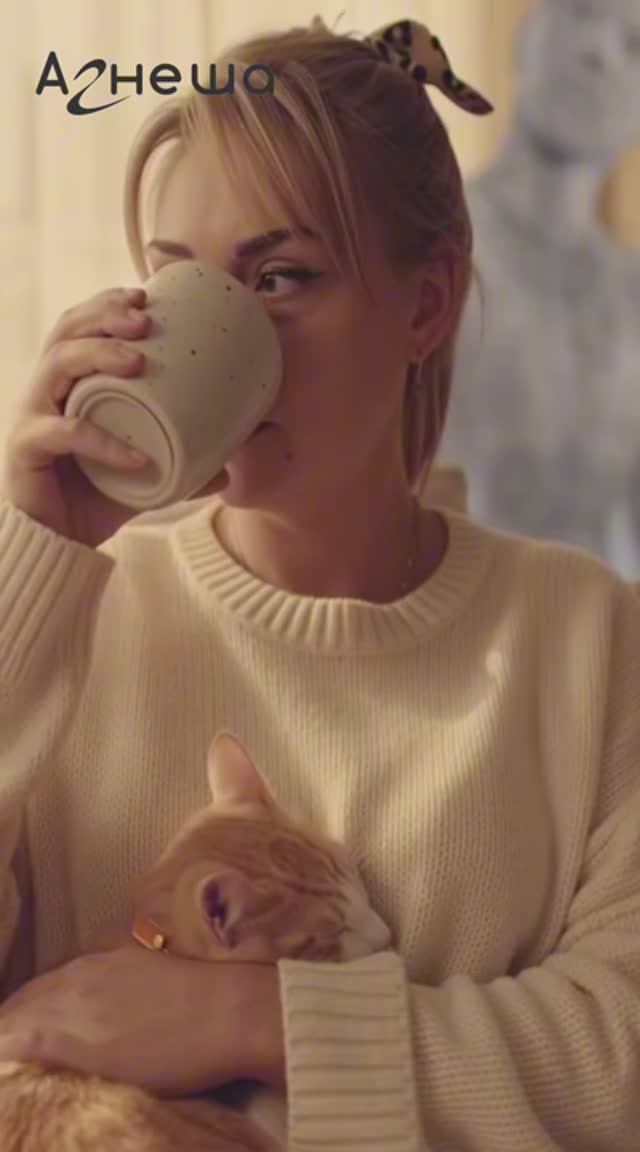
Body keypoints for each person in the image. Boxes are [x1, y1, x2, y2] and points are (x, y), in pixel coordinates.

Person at [0, 15, 639, 1151]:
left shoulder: (587, 638)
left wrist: (256, 1022)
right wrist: (32, 562)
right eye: (181, 280)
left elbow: (619, 1054)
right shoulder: (72, 612)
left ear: (426, 305)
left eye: (279, 277)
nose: (215, 329)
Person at [442, 0, 640, 579]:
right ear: (526, 36)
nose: (597, 52)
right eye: (582, 11)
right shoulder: (418, 253)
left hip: (602, 625)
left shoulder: (631, 296)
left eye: (634, 43)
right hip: (444, 617)